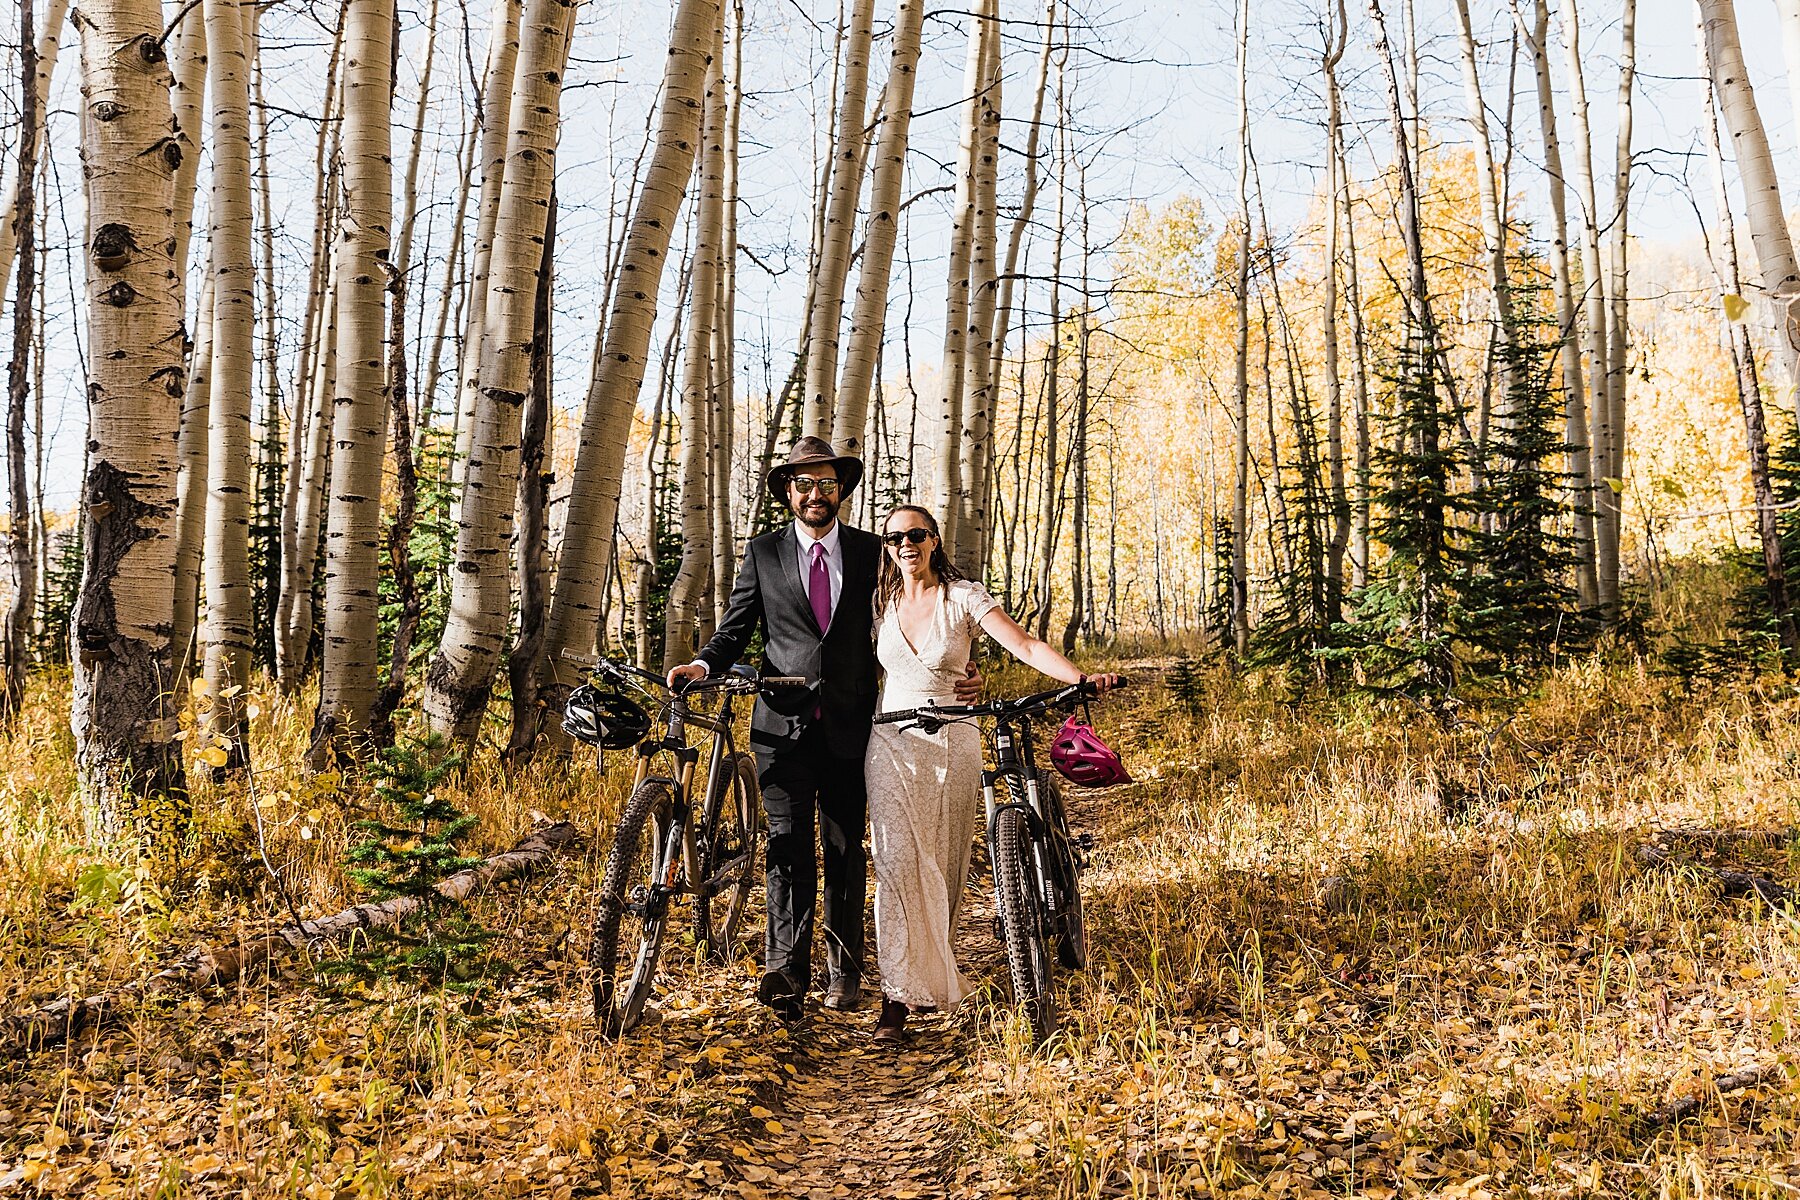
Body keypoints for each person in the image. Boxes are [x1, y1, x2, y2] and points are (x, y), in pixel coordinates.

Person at [667, 438, 979, 1022]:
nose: (816, 494)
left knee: (843, 848)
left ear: (841, 492)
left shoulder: (872, 552)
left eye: (827, 485)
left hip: (855, 727)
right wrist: (703, 664)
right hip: (780, 728)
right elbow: (735, 630)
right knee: (786, 849)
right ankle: (785, 969)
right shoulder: (763, 553)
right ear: (789, 492)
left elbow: (922, 606)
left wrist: (960, 665)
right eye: (804, 484)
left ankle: (845, 970)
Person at [864, 504, 1120, 1042]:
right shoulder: (880, 599)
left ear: (933, 541)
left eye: (915, 535)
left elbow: (1024, 644)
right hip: (890, 739)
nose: (904, 545)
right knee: (895, 863)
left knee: (946, 859)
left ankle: (933, 970)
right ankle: (895, 997)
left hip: (955, 738)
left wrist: (1079, 678)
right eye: (893, 538)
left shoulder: (962, 597)